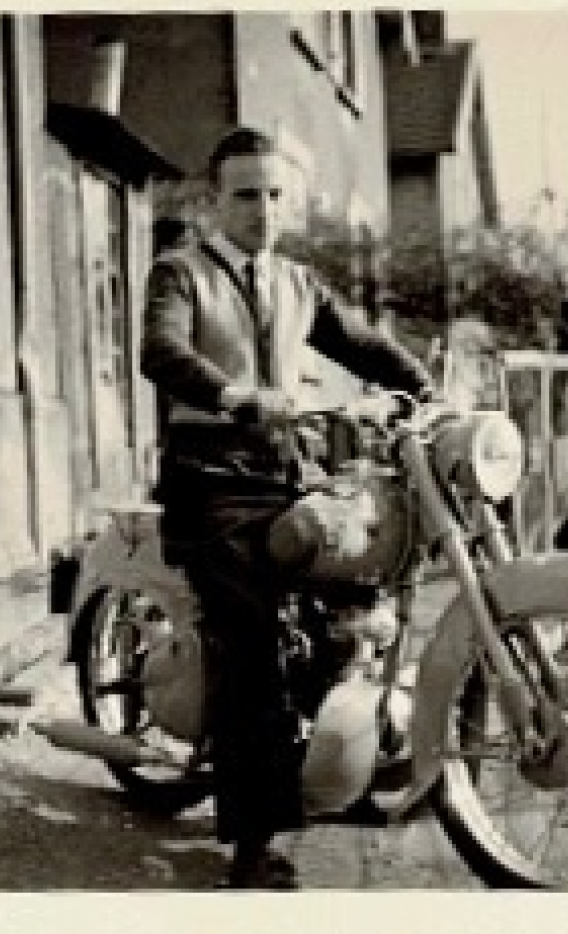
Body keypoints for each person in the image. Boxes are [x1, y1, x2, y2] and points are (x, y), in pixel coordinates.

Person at [140, 127, 433, 890]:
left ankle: (357, 761)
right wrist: (235, 396)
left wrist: (427, 390)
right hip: (210, 477)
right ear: (213, 201)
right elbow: (161, 352)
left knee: (356, 587)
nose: (262, 210)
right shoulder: (179, 273)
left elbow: (362, 342)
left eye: (274, 194)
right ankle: (250, 840)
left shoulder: (298, 284)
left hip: (284, 470)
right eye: (244, 194)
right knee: (251, 635)